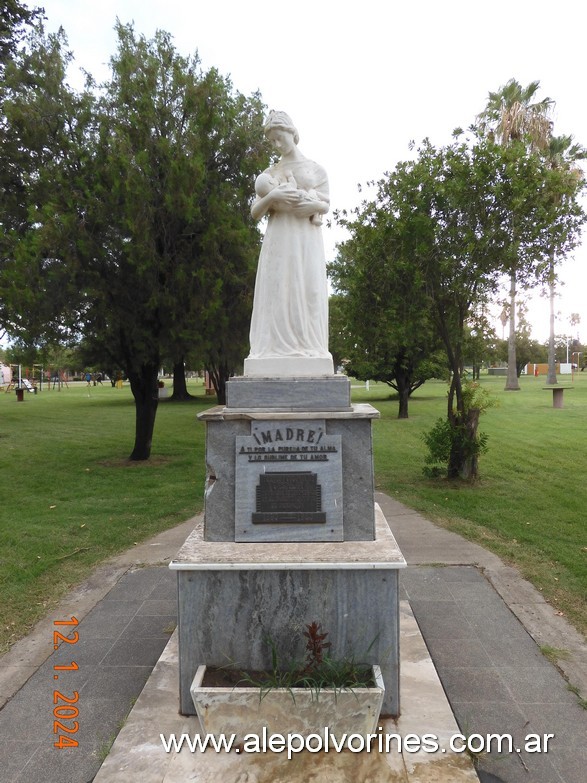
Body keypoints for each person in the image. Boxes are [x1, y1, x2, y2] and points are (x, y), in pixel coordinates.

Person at [245, 111, 333, 376]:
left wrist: (311, 204)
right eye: (272, 141)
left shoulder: (315, 170)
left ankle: (309, 345)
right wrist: (272, 196)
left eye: (279, 138)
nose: (277, 145)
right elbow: (255, 212)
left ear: (292, 133)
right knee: (279, 287)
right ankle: (274, 348)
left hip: (305, 238)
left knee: (308, 290)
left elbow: (325, 204)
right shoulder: (270, 174)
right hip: (280, 238)